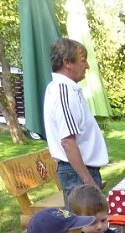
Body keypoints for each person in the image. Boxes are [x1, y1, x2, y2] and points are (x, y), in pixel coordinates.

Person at [44, 38, 108, 209]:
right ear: (67, 63)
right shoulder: (63, 92)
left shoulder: (68, 90)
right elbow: (67, 141)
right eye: (83, 60)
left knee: (90, 228)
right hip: (77, 173)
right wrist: (88, 181)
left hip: (80, 172)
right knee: (84, 229)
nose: (87, 65)